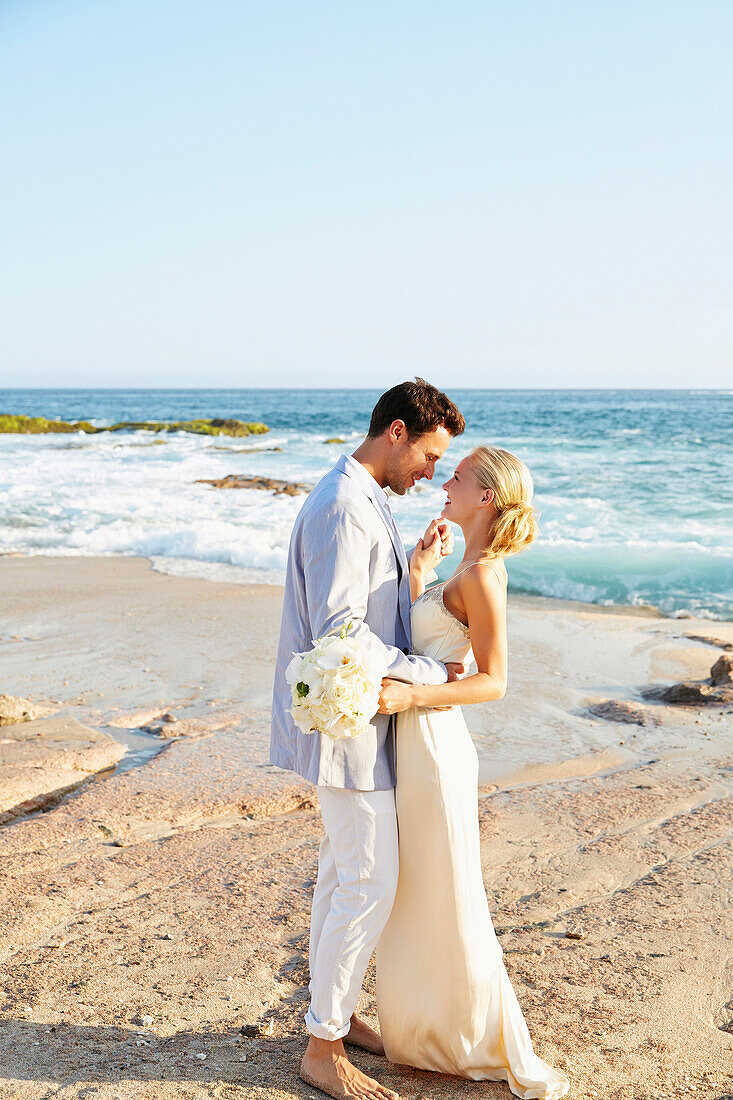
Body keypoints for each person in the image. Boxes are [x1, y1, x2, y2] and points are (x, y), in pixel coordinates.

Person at [269, 378, 466, 1100]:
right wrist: (426, 672)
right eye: (428, 456)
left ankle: (338, 1014)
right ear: (394, 433)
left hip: (358, 722)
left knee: (342, 874)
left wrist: (411, 571)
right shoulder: (343, 507)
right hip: (346, 724)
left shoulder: (363, 498)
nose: (432, 473)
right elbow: (339, 635)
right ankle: (322, 1050)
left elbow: (361, 607)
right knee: (368, 882)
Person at [376, 445, 570, 1100]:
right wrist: (418, 572)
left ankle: (458, 1038)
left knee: (444, 887)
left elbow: (493, 680)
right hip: (414, 733)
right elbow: (423, 644)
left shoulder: (485, 573)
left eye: (455, 478)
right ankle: (421, 1030)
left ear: (484, 498)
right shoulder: (461, 563)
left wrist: (409, 697)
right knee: (418, 888)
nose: (443, 483)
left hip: (432, 740)